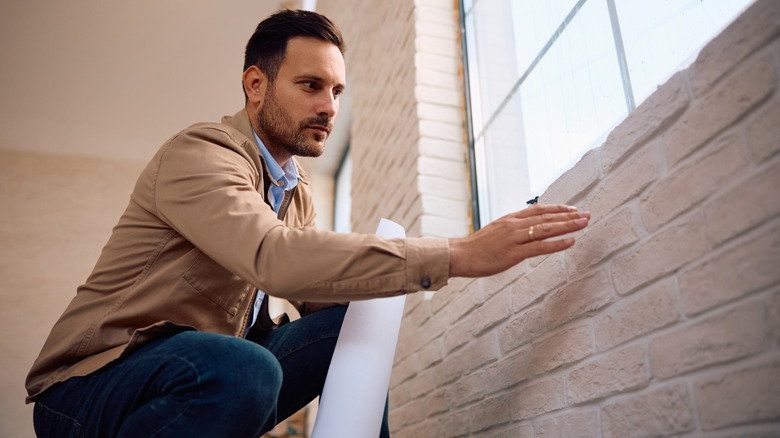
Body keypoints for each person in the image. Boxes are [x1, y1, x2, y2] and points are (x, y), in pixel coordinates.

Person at [25, 9, 590, 438]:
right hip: (89, 386)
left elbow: (318, 291)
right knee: (245, 369)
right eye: (310, 86)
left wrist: (371, 297)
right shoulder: (200, 152)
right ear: (255, 86)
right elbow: (274, 257)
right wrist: (457, 254)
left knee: (353, 325)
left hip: (208, 369)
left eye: (337, 91)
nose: (329, 106)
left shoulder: (295, 193)